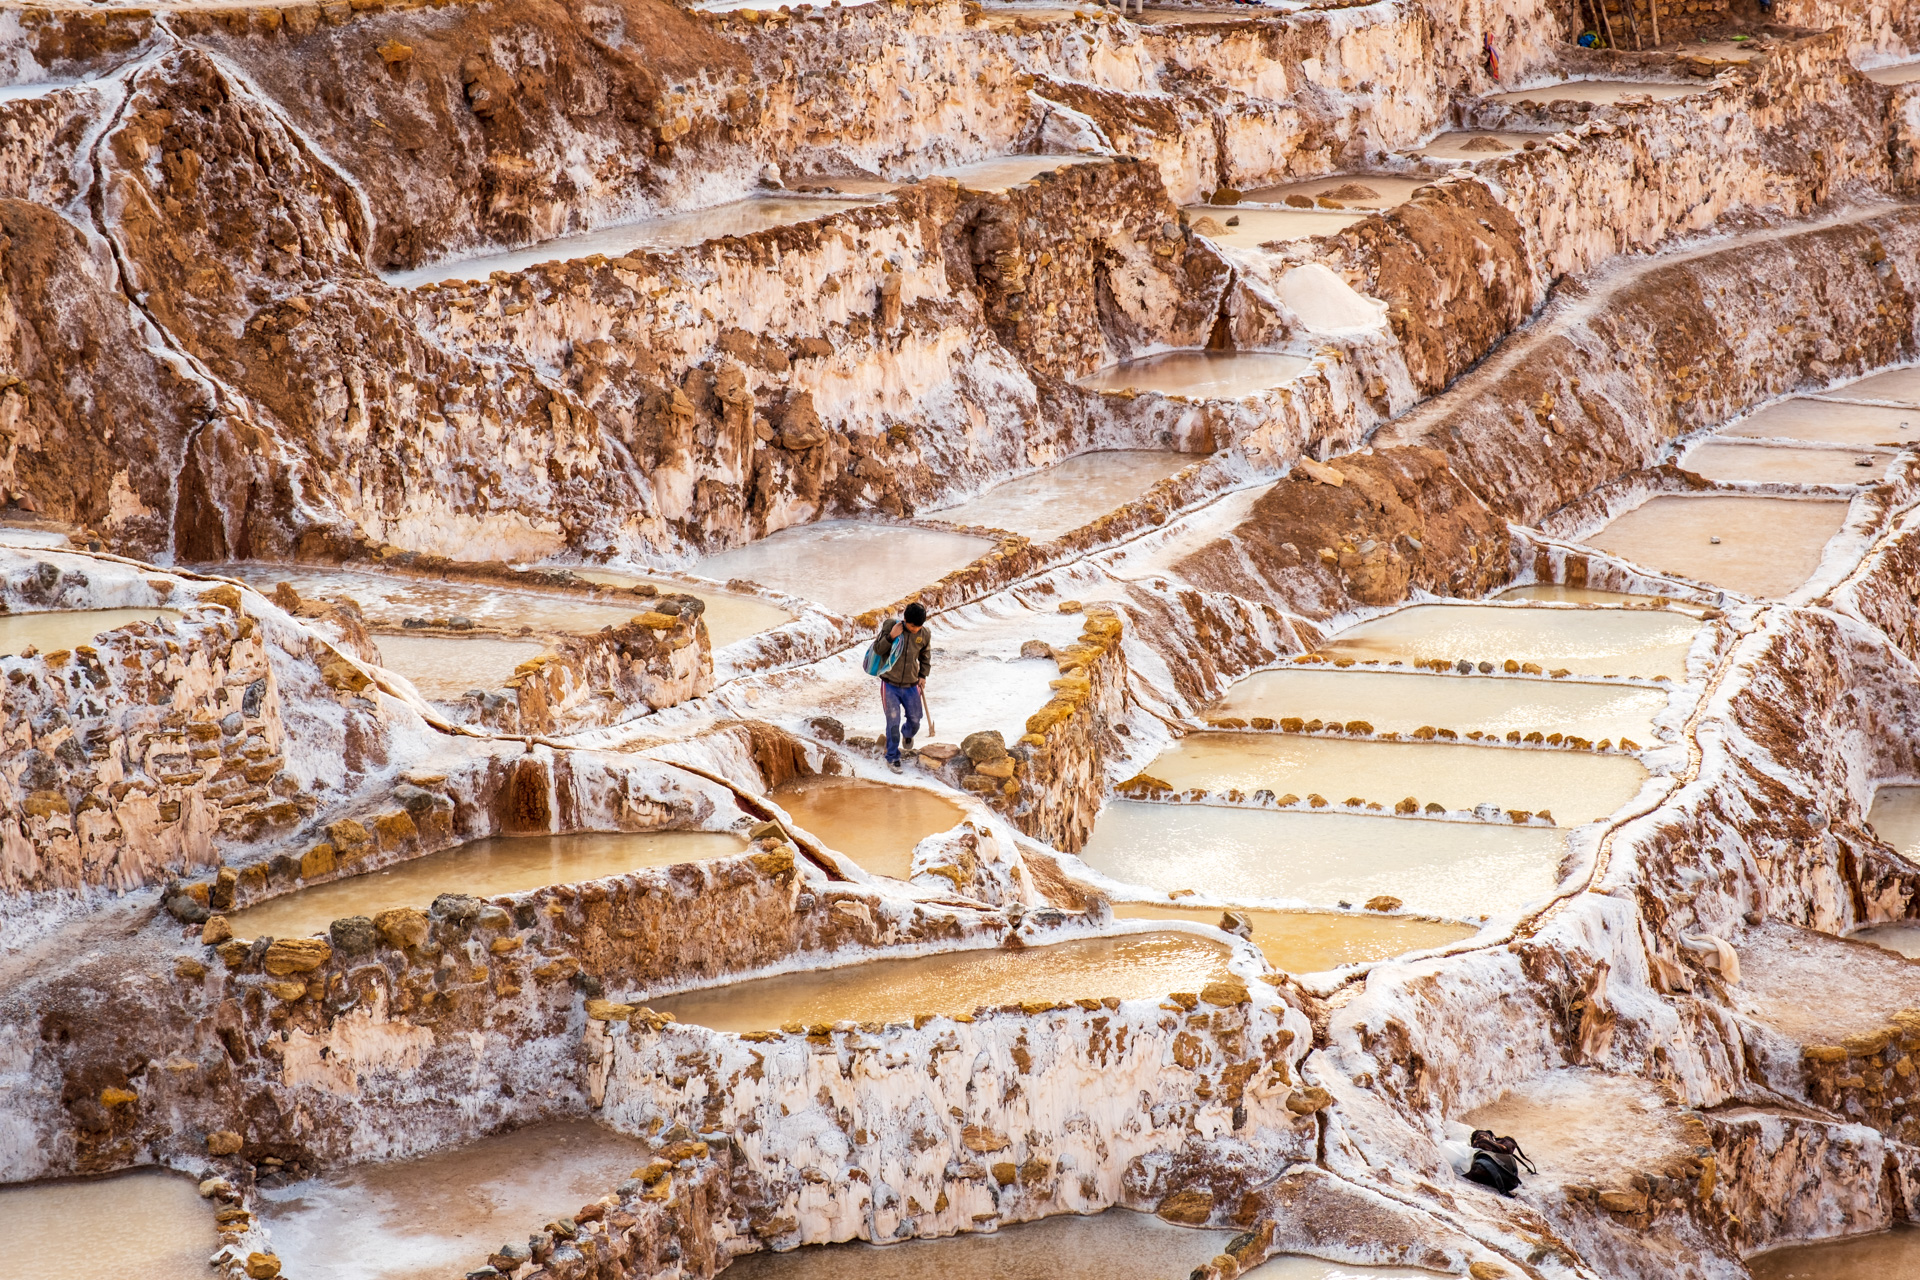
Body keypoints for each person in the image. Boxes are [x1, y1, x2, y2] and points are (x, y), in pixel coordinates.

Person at [869, 601, 932, 773]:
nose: (915, 630)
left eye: (919, 627)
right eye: (912, 626)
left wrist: (922, 675)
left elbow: (925, 656)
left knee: (915, 720)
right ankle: (892, 757)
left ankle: (908, 734)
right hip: (890, 684)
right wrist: (891, 636)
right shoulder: (891, 626)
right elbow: (878, 649)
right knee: (893, 723)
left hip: (912, 685)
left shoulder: (924, 634)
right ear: (905, 620)